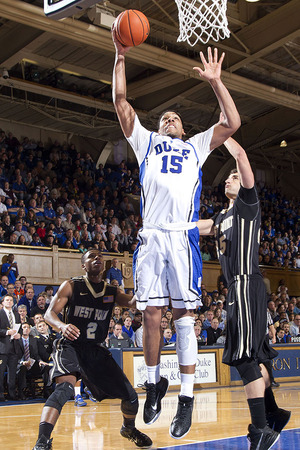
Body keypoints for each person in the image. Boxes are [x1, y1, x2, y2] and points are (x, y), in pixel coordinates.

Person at [112, 27, 241, 438]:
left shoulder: (196, 147)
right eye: (165, 116)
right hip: (151, 235)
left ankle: (185, 398)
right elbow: (120, 102)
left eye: (176, 118)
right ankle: (154, 384)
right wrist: (120, 54)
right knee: (149, 314)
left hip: (182, 236)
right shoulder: (146, 142)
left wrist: (217, 82)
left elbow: (233, 121)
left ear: (184, 130)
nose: (169, 119)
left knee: (184, 318)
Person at [197, 136, 290, 449]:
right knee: (253, 359)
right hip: (236, 289)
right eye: (227, 178)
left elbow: (239, 154)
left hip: (247, 283)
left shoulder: (248, 205)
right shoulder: (221, 218)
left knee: (244, 358)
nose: (229, 178)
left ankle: (261, 427)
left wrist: (222, 130)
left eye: (233, 176)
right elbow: (193, 227)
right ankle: (274, 413)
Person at [32, 249, 152, 450]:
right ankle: (42, 441)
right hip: (71, 345)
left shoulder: (111, 291)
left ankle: (129, 429)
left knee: (130, 396)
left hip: (96, 350)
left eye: (100, 256)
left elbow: (133, 304)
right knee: (64, 389)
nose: (97, 258)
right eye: (91, 256)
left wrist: (144, 284)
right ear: (83, 265)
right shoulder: (71, 285)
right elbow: (49, 314)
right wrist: (62, 326)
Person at [0, 294, 21, 401]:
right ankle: (0, 395)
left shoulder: (16, 315)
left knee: (12, 373)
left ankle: (12, 394)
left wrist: (19, 335)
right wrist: (7, 332)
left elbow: (20, 329)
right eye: (7, 300)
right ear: (2, 302)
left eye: (11, 300)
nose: (9, 302)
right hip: (2, 348)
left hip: (14, 347)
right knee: (0, 372)